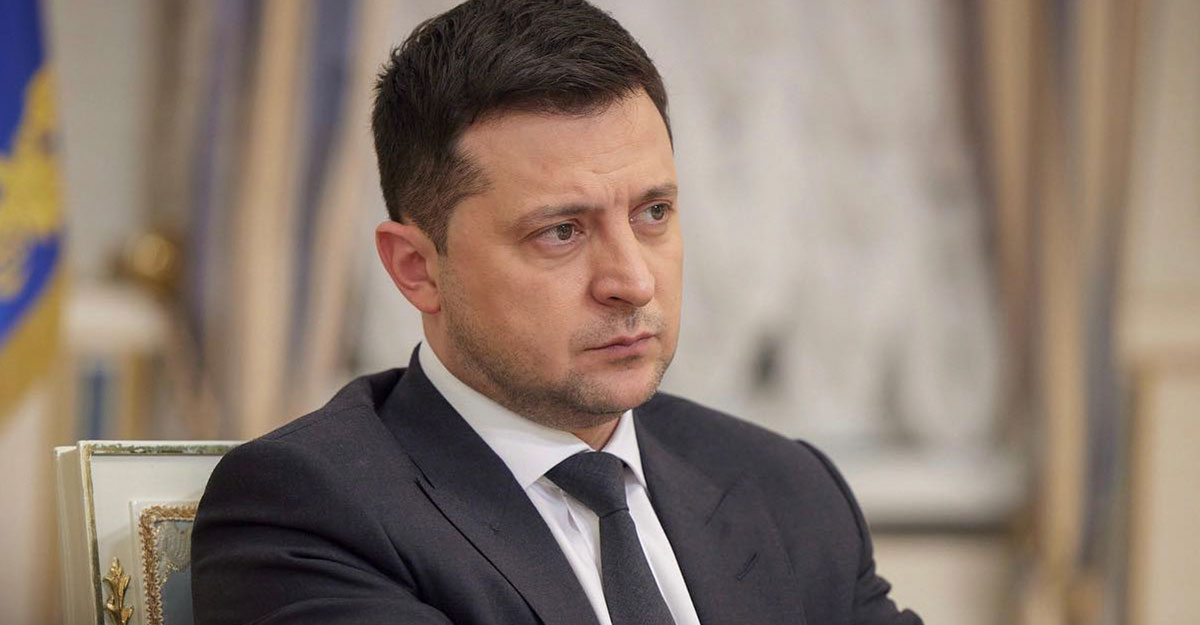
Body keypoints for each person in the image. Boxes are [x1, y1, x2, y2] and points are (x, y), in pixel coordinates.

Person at [191, 1, 922, 624]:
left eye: (654, 213)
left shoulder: (786, 488)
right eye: (561, 231)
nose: (633, 281)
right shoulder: (308, 511)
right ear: (417, 268)